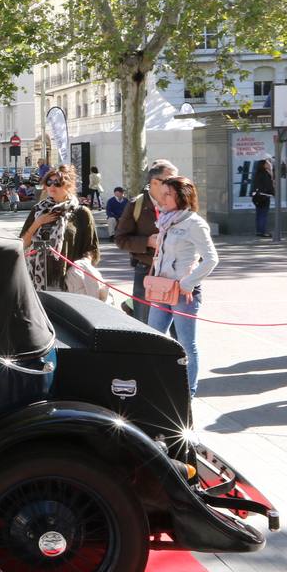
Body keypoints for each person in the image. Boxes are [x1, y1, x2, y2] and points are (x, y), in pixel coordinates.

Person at [147, 176, 218, 395]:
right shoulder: (166, 220)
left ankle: (188, 393)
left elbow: (211, 258)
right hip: (161, 288)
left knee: (187, 344)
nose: (163, 197)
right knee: (153, 339)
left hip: (183, 293)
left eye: (169, 193)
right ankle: (158, 386)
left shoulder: (194, 223)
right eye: (163, 192)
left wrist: (188, 283)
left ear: (182, 196)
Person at [113, 159, 179, 321]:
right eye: (172, 181)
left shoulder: (180, 202)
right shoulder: (137, 204)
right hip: (148, 272)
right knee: (147, 325)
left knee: (179, 330)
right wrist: (147, 242)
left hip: (178, 272)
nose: (177, 185)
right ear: (155, 182)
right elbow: (121, 239)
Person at [19, 165, 100, 292]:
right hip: (37, 279)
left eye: (57, 183)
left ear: (68, 185)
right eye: (49, 182)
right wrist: (38, 222)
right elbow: (23, 243)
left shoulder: (81, 212)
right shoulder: (39, 210)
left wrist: (81, 267)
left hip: (69, 280)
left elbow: (90, 248)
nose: (52, 186)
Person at [252, 157, 275, 238]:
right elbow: (269, 185)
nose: (269, 164)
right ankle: (262, 232)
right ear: (263, 165)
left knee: (259, 214)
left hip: (258, 196)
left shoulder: (258, 173)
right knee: (263, 215)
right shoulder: (265, 173)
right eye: (267, 163)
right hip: (264, 196)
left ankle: (259, 231)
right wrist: (273, 193)